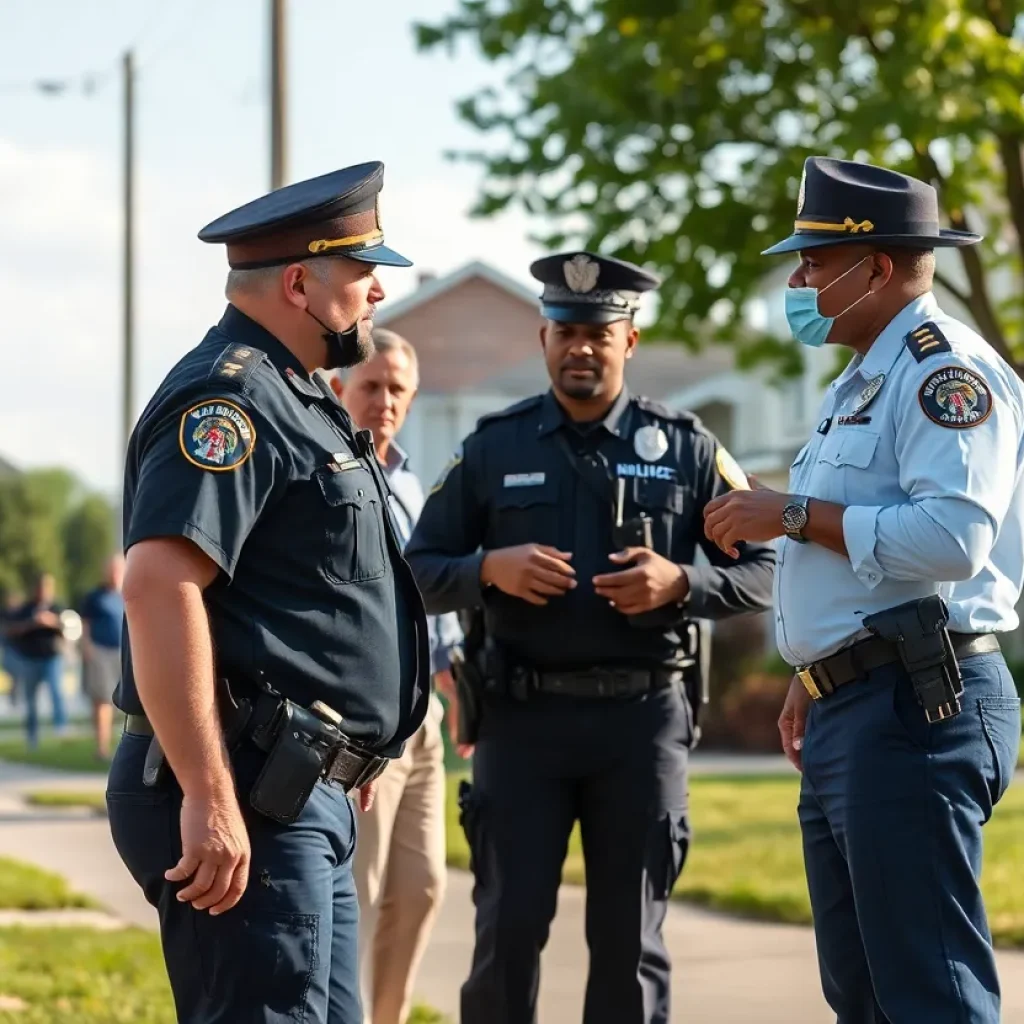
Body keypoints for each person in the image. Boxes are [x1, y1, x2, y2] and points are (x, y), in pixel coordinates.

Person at [404, 251, 776, 1024]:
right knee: (506, 935)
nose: (582, 346)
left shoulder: (688, 448)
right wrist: (488, 569)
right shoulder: (491, 449)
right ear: (543, 337)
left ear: (628, 342)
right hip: (521, 720)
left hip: (640, 724)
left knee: (629, 946)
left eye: (599, 333)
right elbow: (418, 571)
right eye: (567, 330)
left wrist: (683, 582)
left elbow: (769, 571)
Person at [105, 162, 430, 1024]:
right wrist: (209, 795)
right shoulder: (231, 397)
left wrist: (348, 744)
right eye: (364, 276)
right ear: (299, 283)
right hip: (246, 790)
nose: (375, 297)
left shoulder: (300, 401)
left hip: (295, 786)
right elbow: (157, 584)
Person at [703, 156, 1024, 1023]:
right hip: (861, 703)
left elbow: (954, 539)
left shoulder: (941, 372)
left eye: (812, 261)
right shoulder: (862, 382)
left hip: (918, 705)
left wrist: (793, 512)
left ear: (875, 267)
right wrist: (816, 677)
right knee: (865, 994)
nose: (799, 280)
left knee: (929, 995)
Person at [325, 329, 464, 1024]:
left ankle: (388, 1017)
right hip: (362, 721)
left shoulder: (410, 480)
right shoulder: (324, 473)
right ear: (340, 388)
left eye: (397, 390)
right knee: (360, 890)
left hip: (424, 718)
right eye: (371, 386)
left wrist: (454, 684)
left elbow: (426, 598)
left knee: (424, 887)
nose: (384, 402)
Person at [5, 573, 67, 749]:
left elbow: (67, 627)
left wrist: (51, 621)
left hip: (51, 657)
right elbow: (12, 629)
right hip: (30, 658)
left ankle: (60, 726)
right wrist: (33, 623)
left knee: (56, 691)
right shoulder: (26, 608)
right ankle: (32, 736)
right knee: (30, 699)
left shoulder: (57, 607)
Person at [79, 554, 126, 760]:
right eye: (112, 570)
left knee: (119, 703)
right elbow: (85, 625)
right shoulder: (95, 597)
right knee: (102, 701)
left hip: (123, 653)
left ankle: (118, 744)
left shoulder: (126, 594)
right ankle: (102, 748)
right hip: (100, 652)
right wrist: (86, 647)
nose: (115, 575)